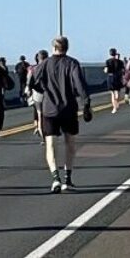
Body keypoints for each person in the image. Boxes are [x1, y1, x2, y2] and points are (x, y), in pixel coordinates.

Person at [29, 36, 91, 193]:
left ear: (53, 48)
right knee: (70, 143)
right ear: (67, 48)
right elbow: (80, 85)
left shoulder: (44, 64)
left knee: (50, 144)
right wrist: (86, 103)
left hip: (49, 109)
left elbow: (33, 82)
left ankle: (55, 178)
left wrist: (44, 89)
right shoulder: (72, 63)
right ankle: (67, 178)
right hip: (69, 108)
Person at [104, 48, 125, 113]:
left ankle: (114, 107)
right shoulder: (120, 62)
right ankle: (117, 102)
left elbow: (106, 70)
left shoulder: (108, 61)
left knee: (112, 93)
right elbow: (123, 70)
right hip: (118, 77)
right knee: (117, 92)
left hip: (111, 77)